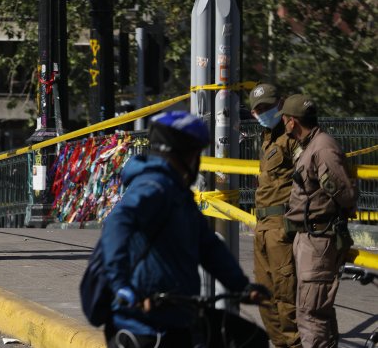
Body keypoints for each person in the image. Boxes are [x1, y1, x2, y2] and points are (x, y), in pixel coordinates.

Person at [100, 111, 268, 348]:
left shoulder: (178, 195)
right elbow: (117, 224)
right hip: (142, 322)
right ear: (178, 154)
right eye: (194, 154)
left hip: (179, 315)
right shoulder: (152, 187)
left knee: (251, 339)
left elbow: (208, 246)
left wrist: (241, 286)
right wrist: (123, 287)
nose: (197, 162)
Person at [281, 94, 358, 348]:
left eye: (284, 119)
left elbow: (344, 193)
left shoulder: (322, 147)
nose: (283, 123)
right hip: (309, 238)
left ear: (292, 121)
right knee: (317, 314)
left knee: (311, 315)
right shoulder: (311, 145)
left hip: (318, 241)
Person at [248, 83, 302, 348]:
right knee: (265, 297)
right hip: (263, 226)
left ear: (280, 104)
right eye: (258, 110)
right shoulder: (267, 137)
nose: (262, 112)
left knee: (286, 299)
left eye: (267, 107)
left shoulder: (293, 135)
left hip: (282, 226)